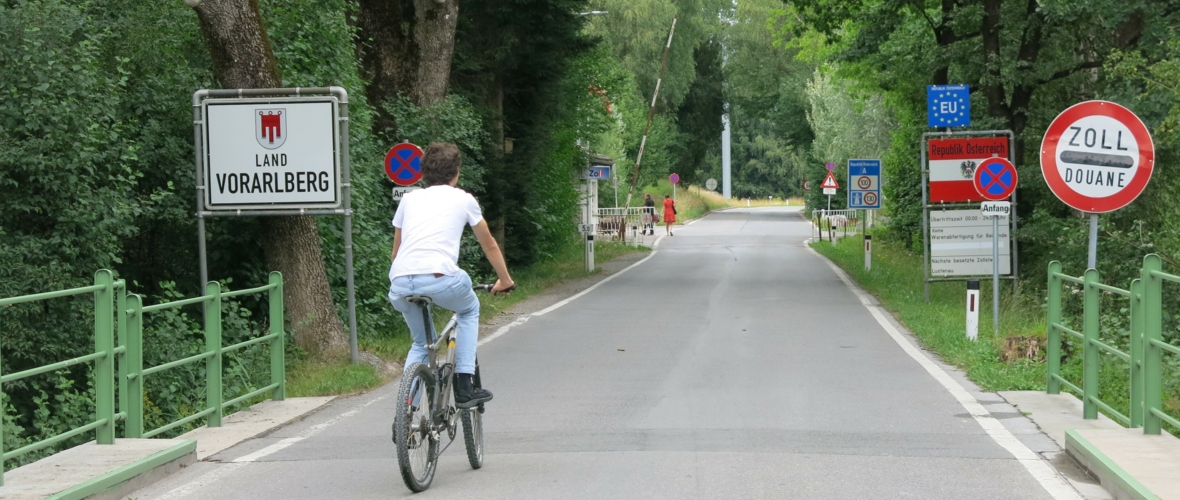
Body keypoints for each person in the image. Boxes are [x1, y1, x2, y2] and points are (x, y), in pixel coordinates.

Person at [387, 142, 514, 408]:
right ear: (456, 172)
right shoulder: (463, 199)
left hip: (400, 281)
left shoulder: (409, 199)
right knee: (469, 309)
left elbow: (396, 251)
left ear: (422, 175)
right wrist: (504, 280)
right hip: (439, 277)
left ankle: (405, 412)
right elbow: (488, 242)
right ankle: (465, 385)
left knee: (421, 342)